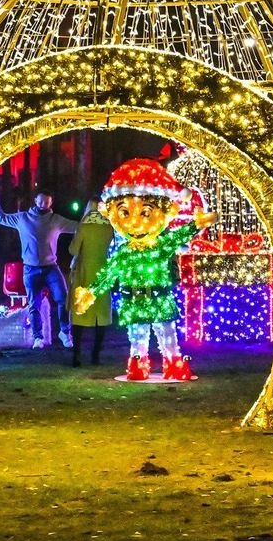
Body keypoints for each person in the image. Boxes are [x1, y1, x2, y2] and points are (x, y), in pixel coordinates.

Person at [74, 158, 217, 381]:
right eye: (125, 213)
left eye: (145, 213)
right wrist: (90, 293)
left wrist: (198, 224)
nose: (134, 223)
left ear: (166, 211)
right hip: (134, 301)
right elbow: (108, 274)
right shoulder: (124, 252)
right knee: (138, 337)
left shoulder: (161, 245)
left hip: (159, 299)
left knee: (167, 334)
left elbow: (180, 235)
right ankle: (138, 366)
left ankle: (174, 364)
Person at [0, 181, 79, 349]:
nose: (42, 204)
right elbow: (0, 217)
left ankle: (65, 332)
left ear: (51, 203)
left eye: (46, 202)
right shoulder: (22, 218)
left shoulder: (56, 220)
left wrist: (97, 219)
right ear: (35, 201)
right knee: (34, 305)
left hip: (51, 267)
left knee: (63, 299)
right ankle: (38, 337)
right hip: (30, 269)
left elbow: (78, 227)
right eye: (40, 201)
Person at [67, 197, 115, 367]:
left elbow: (73, 249)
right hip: (102, 274)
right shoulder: (109, 227)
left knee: (80, 313)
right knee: (100, 316)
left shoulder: (83, 226)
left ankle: (76, 355)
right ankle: (96, 355)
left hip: (84, 273)